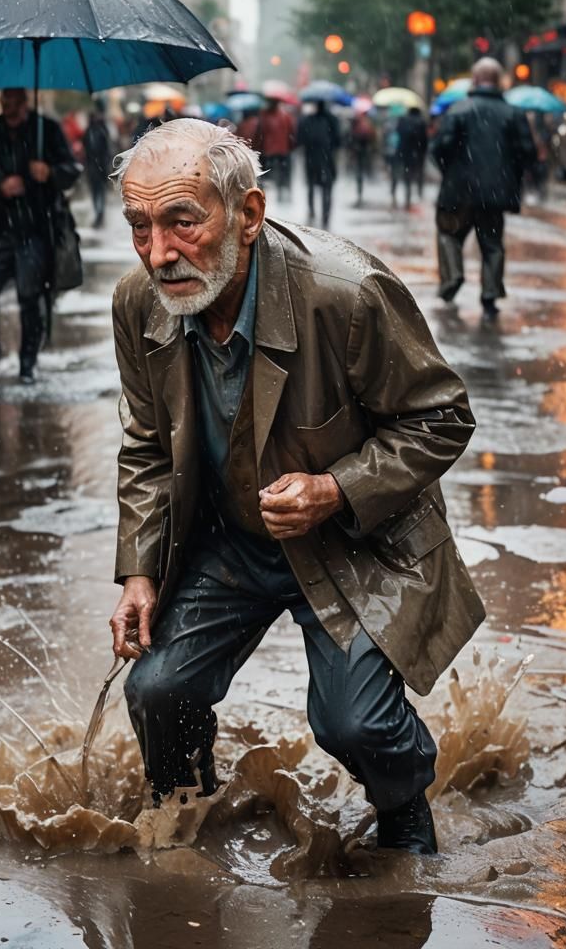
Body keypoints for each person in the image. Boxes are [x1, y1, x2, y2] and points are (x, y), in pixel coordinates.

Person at [108, 119, 484, 856]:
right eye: (140, 227)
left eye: (183, 222)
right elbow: (149, 448)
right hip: (229, 542)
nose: (160, 254)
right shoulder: (139, 302)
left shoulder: (346, 294)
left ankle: (407, 814)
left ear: (247, 215)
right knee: (156, 690)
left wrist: (336, 489)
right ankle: (184, 810)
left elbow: (443, 418)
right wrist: (138, 573)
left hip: (353, 542)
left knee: (357, 724)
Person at [0, 87, 80, 383]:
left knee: (29, 295)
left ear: (25, 103)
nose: (9, 108)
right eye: (5, 102)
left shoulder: (47, 129)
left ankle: (28, 359)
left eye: (15, 103)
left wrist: (49, 172)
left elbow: (71, 169)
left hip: (36, 227)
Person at [430, 57, 536, 320]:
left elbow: (439, 149)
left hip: (458, 192)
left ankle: (452, 277)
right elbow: (527, 153)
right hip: (494, 196)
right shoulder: (513, 114)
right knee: (492, 245)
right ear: (499, 81)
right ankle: (489, 294)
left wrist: (451, 173)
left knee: (449, 235)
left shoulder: (458, 110)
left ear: (475, 80)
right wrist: (509, 177)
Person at [296, 100, 342, 229]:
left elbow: (300, 139)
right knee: (327, 188)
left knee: (311, 185)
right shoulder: (332, 120)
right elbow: (339, 141)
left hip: (311, 159)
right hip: (327, 159)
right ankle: (325, 216)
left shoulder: (307, 120)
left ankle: (312, 211)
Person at [252, 98, 295, 201]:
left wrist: (257, 147)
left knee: (267, 174)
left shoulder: (264, 116)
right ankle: (281, 191)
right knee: (282, 173)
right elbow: (291, 133)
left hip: (269, 151)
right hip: (281, 150)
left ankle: (266, 193)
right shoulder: (285, 116)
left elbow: (260, 133)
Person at [392, 106, 428, 209]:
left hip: (402, 150)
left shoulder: (403, 120)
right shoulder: (421, 121)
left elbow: (398, 132)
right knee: (410, 174)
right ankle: (409, 197)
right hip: (415, 152)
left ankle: (393, 192)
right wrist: (422, 152)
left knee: (397, 172)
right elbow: (424, 140)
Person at [82, 103, 113, 228]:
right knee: (97, 191)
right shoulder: (93, 132)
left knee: (98, 191)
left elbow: (104, 150)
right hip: (95, 167)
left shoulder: (96, 131)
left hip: (97, 167)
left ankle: (99, 213)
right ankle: (99, 212)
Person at [348, 110, 375, 208]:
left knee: (359, 171)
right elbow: (372, 137)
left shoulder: (356, 124)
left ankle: (359, 188)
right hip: (364, 151)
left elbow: (350, 138)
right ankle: (361, 186)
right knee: (361, 170)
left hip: (357, 151)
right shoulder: (368, 124)